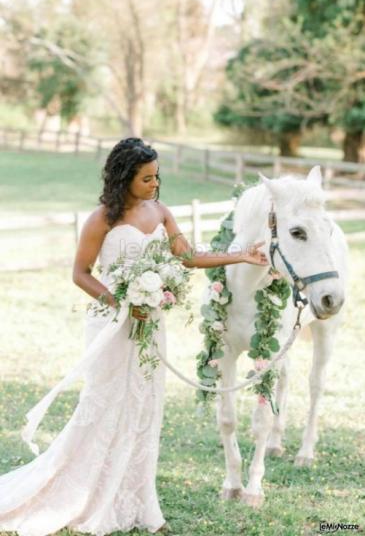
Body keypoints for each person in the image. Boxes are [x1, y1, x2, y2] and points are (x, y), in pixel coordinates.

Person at [0, 138, 268, 535]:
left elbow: (186, 257)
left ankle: (140, 500)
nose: (155, 184)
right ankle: (83, 494)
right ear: (126, 177)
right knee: (105, 404)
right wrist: (120, 302)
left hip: (151, 326)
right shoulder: (102, 220)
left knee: (145, 408)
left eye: (157, 176)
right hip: (111, 324)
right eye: (146, 178)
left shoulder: (161, 213)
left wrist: (241, 255)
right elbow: (80, 273)